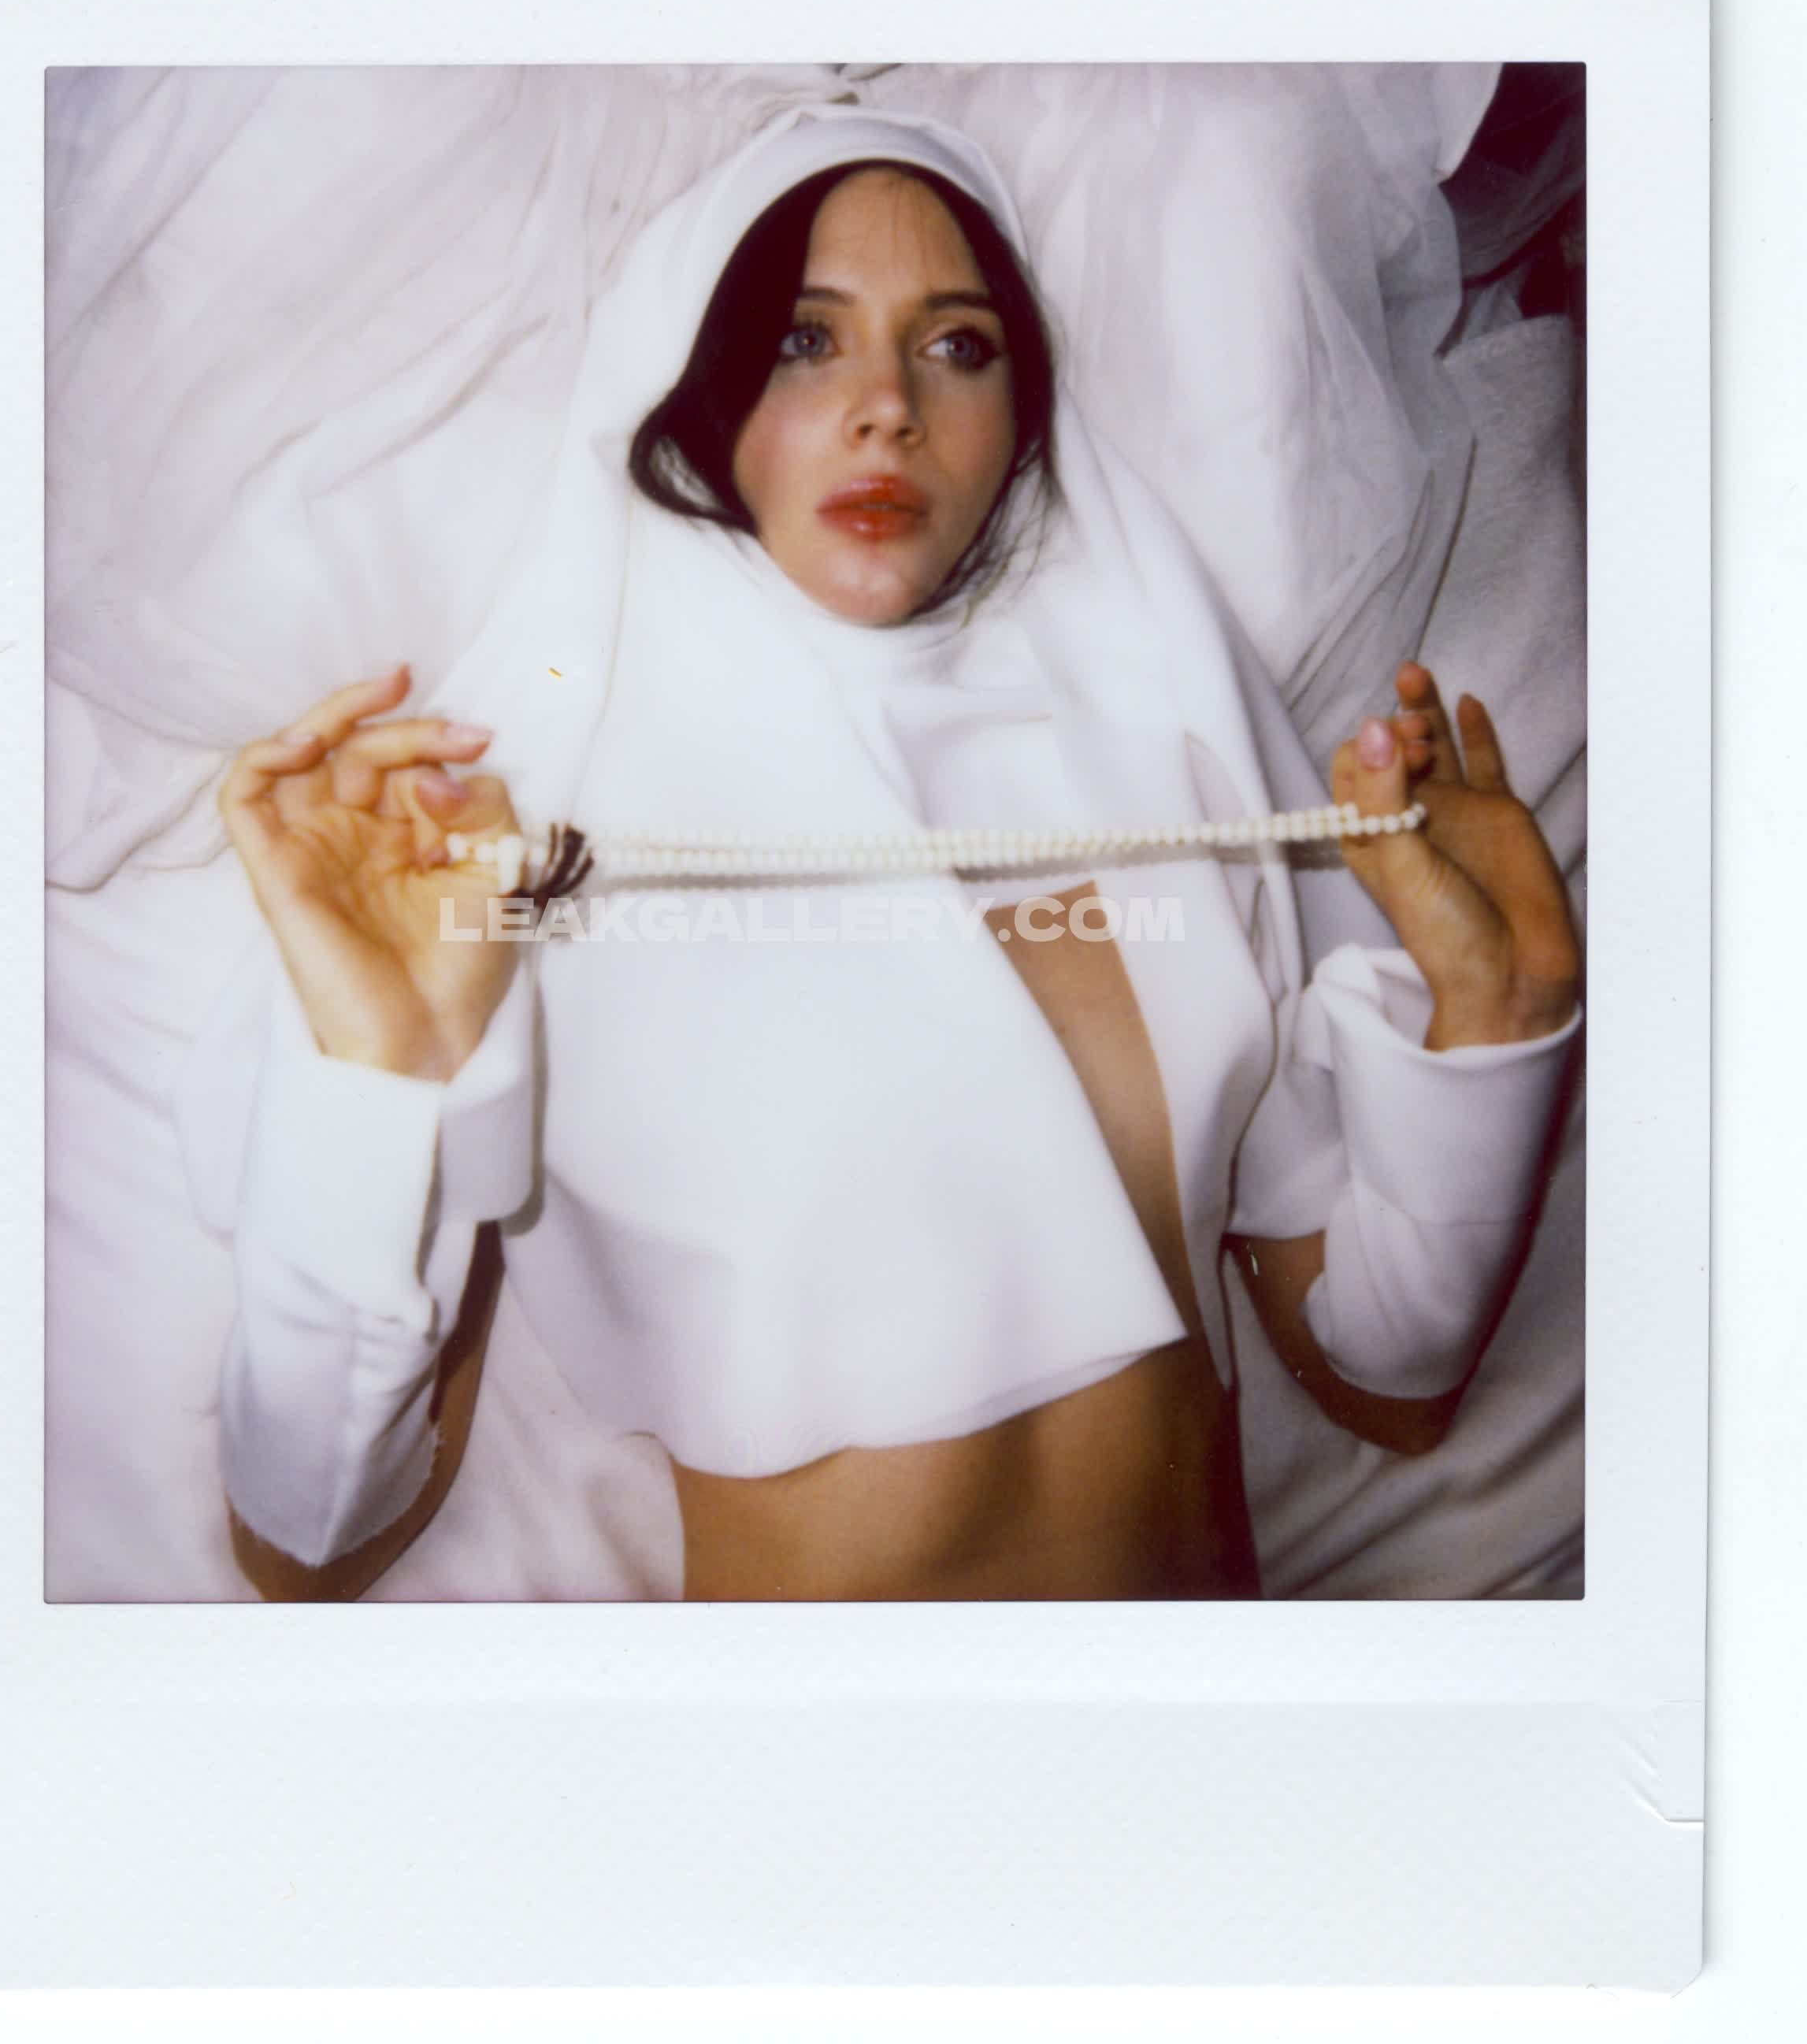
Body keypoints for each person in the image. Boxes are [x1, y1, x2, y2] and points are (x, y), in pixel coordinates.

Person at [187, 109, 1581, 1603]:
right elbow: (309, 1546)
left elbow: (1382, 1384)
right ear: (691, 381)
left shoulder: (1166, 757)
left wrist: (1494, 1018)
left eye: (957, 346)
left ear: (1023, 413)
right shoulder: (519, 841)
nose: (886, 410)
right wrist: (379, 1074)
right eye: (804, 340)